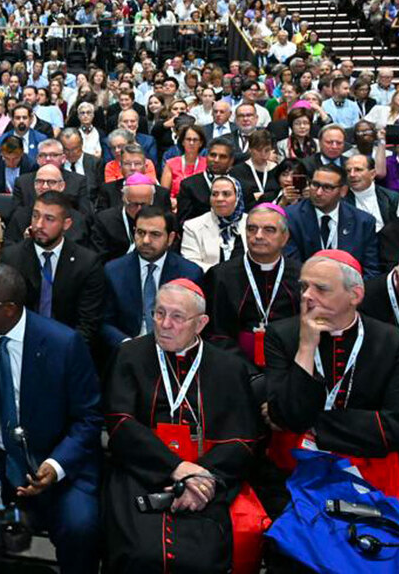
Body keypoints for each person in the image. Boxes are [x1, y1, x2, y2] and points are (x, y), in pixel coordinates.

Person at [0, 264, 103, 574]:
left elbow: (89, 418)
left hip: (54, 459)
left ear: (9, 309)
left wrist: (56, 466)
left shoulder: (64, 345)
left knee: (81, 525)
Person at [104, 279, 257, 574]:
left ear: (200, 323)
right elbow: (120, 424)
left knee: (200, 559)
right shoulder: (129, 355)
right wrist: (175, 468)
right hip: (141, 470)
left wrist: (201, 478)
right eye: (159, 313)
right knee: (139, 553)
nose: (164, 324)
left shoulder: (229, 367)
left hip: (207, 479)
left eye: (177, 317)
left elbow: (242, 440)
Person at [261, 250, 399, 517]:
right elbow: (286, 415)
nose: (307, 295)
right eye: (304, 286)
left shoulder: (393, 342)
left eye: (321, 288)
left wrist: (314, 425)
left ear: (355, 295)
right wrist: (306, 346)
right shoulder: (282, 334)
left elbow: (395, 428)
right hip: (294, 466)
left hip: (367, 468)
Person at [0, 190, 103, 357]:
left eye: (49, 219)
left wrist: (65, 353)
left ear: (66, 224)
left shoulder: (87, 263)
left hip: (67, 348)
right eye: (35, 216)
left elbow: (88, 323)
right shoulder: (11, 257)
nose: (39, 225)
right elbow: (5, 313)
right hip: (20, 347)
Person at [202, 204, 300, 379]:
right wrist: (249, 374)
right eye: (252, 229)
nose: (258, 236)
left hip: (289, 368)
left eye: (269, 230)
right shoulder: (220, 276)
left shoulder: (301, 276)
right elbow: (215, 334)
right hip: (235, 371)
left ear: (285, 237)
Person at [100, 206, 203, 365]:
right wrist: (128, 345)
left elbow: (194, 324)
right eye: (140, 233)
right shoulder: (113, 271)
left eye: (155, 234)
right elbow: (104, 322)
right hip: (127, 354)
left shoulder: (189, 273)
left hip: (174, 355)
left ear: (170, 238)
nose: (146, 240)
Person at [283, 164, 381, 279]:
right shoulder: (290, 218)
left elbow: (371, 270)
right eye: (315, 185)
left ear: (343, 191)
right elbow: (291, 267)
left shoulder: (363, 222)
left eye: (327, 187)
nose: (319, 192)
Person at [179, 175, 246, 271]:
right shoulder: (192, 226)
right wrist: (223, 275)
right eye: (214, 194)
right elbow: (190, 262)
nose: (219, 199)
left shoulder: (252, 223)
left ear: (237, 197)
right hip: (208, 281)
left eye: (226, 194)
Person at [93, 173, 157, 264]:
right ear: (124, 199)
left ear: (152, 201)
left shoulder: (161, 220)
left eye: (144, 205)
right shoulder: (105, 220)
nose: (139, 210)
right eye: (134, 204)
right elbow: (99, 258)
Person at [343, 153, 399, 230]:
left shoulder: (395, 199)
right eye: (348, 171)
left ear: (372, 174)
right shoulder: (340, 201)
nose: (352, 175)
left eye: (358, 170)